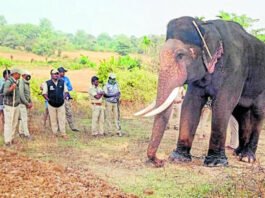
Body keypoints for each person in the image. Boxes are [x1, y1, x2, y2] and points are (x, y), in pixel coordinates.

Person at [42, 69, 68, 139]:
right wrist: (48, 100)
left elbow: (66, 92)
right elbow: (44, 93)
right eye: (54, 74)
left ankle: (63, 133)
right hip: (51, 105)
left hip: (61, 104)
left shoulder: (62, 82)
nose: (56, 75)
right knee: (53, 119)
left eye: (57, 74)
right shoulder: (47, 83)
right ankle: (55, 133)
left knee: (62, 119)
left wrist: (64, 98)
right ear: (51, 75)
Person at [3, 68, 22, 146]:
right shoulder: (8, 81)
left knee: (14, 123)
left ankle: (11, 138)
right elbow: (5, 92)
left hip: (16, 105)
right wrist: (11, 88)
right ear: (15, 74)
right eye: (19, 73)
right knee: (8, 123)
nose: (20, 75)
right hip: (9, 106)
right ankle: (7, 141)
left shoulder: (17, 81)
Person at [58, 66, 79, 132]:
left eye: (64, 72)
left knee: (69, 112)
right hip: (58, 98)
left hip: (66, 97)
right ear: (59, 72)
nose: (64, 73)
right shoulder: (56, 79)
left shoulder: (66, 79)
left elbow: (70, 87)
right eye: (62, 72)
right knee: (60, 113)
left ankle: (72, 127)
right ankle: (61, 128)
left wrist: (64, 87)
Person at [18, 70, 33, 139]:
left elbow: (28, 94)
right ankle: (27, 134)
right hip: (22, 103)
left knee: (22, 119)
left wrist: (30, 102)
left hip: (25, 103)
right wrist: (27, 103)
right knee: (24, 119)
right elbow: (21, 94)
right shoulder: (21, 82)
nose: (28, 76)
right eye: (27, 75)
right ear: (23, 75)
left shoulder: (26, 83)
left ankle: (21, 132)